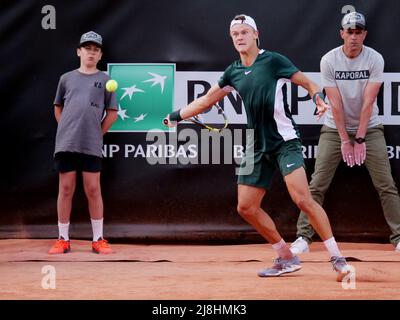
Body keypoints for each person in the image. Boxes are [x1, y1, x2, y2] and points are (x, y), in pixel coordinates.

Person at [164, 14, 351, 281]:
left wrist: (318, 98)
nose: (240, 37)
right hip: (256, 145)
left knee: (302, 199)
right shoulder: (233, 72)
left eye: (244, 32)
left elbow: (307, 82)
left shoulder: (273, 60)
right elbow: (206, 101)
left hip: (285, 141)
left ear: (255, 34)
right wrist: (176, 116)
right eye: (235, 34)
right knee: (246, 207)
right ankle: (286, 256)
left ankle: (337, 258)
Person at [291, 12, 400, 255]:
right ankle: (303, 237)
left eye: (358, 32)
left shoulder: (375, 59)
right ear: (342, 34)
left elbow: (368, 101)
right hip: (333, 128)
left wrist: (359, 138)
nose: (353, 37)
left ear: (364, 35)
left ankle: (399, 237)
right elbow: (336, 104)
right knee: (317, 183)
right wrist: (344, 139)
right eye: (349, 32)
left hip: (369, 128)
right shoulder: (329, 60)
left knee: (386, 184)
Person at [49, 31, 118, 254]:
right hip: (66, 143)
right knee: (66, 188)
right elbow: (58, 107)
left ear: (100, 55)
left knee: (93, 189)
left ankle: (98, 239)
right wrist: (66, 129)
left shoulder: (106, 81)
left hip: (91, 144)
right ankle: (62, 239)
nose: (91, 52)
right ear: (79, 51)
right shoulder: (66, 79)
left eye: (96, 49)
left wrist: (97, 134)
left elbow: (112, 113)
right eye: (87, 48)